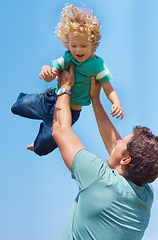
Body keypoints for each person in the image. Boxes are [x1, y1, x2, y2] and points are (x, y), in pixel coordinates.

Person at [52, 65, 158, 240]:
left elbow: (60, 129)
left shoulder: (99, 180)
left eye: (121, 141)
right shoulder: (145, 195)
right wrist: (96, 100)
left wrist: (65, 87)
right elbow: (117, 151)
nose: (117, 140)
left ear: (126, 160)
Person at [11, 4, 124, 156]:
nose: (77, 50)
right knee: (18, 106)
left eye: (83, 45)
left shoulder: (97, 65)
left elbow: (108, 87)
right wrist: (46, 71)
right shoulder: (68, 57)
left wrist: (116, 103)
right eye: (73, 45)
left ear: (94, 45)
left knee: (43, 146)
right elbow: (53, 72)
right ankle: (40, 122)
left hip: (70, 111)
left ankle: (38, 142)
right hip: (52, 99)